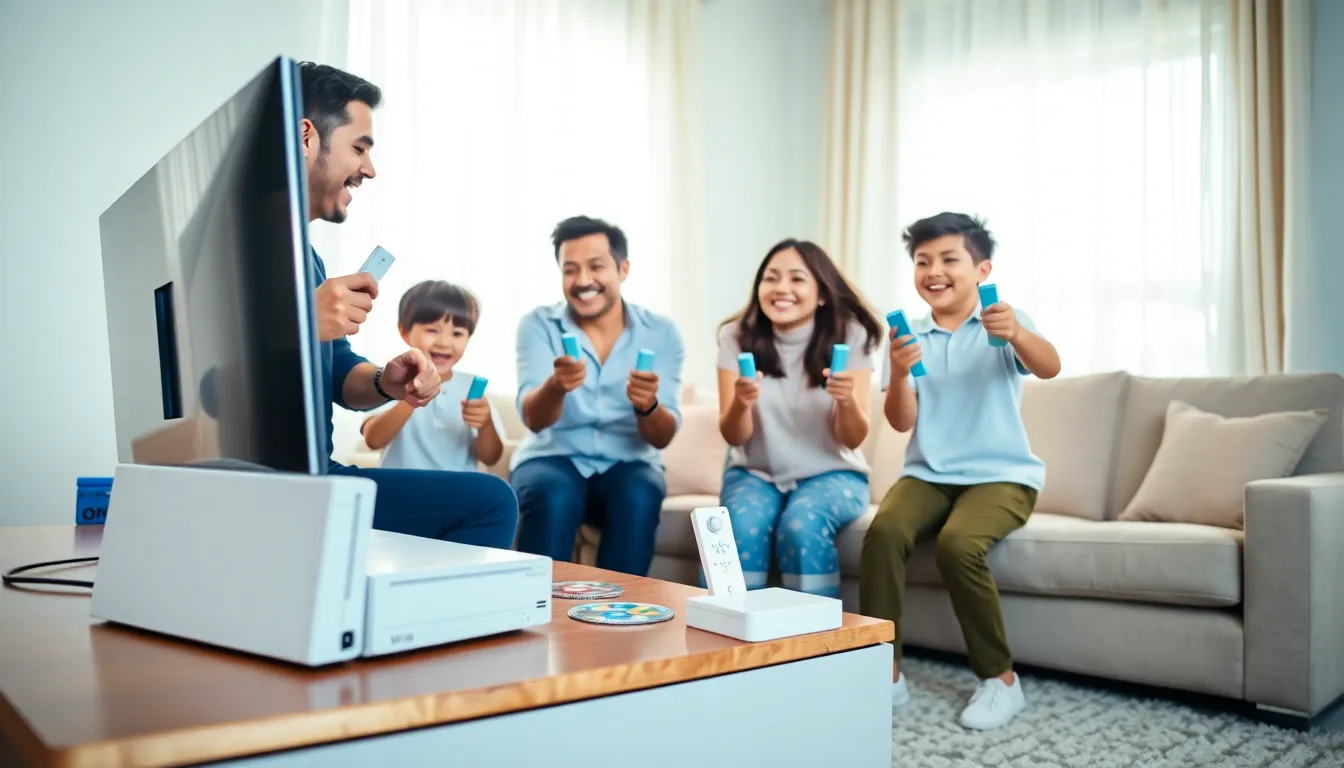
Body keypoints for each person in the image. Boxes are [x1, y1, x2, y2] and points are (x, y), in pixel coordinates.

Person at [296, 62, 517, 548]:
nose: (369, 169)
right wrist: (300, 324)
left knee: (491, 497)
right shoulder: (239, 245)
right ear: (306, 137)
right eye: (359, 148)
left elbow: (339, 375)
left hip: (316, 472)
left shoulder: (308, 259)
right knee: (490, 503)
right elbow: (208, 387)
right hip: (277, 481)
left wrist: (385, 381)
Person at [858, 212, 1061, 730]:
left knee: (958, 544)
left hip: (1002, 476)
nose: (934, 271)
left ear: (981, 269)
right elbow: (901, 421)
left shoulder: (1001, 321)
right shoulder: (907, 335)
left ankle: (1001, 680)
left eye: (949, 259)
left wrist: (1016, 333)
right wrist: (901, 372)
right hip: (928, 474)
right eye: (923, 261)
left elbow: (1049, 366)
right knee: (882, 532)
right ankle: (885, 672)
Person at [510, 216, 685, 575]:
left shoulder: (662, 332)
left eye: (596, 266)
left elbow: (663, 436)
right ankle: (534, 613)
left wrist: (647, 406)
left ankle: (620, 618)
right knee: (553, 495)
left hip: (629, 462)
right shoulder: (538, 326)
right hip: (552, 457)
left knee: (640, 494)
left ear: (623, 269)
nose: (583, 281)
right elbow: (534, 419)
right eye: (570, 270)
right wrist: (555, 386)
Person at [714, 239, 882, 596]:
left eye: (797, 279)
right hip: (755, 473)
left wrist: (847, 401)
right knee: (739, 525)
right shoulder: (736, 337)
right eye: (770, 278)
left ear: (822, 293)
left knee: (801, 525)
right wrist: (742, 402)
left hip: (833, 473)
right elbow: (734, 436)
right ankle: (729, 640)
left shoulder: (851, 336)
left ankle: (814, 643)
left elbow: (852, 439)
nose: (781, 289)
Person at [360, 280, 505, 471]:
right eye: (432, 330)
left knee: (498, 491)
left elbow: (491, 458)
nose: (444, 343)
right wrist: (410, 400)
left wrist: (485, 424)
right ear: (404, 332)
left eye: (457, 333)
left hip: (456, 492)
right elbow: (373, 439)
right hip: (404, 488)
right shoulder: (391, 379)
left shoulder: (471, 387)